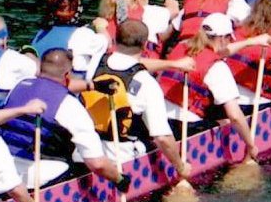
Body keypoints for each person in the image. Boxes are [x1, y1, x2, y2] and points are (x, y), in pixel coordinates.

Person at [80, 21, 192, 181]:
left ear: (115, 40)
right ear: (145, 45)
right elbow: (162, 138)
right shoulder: (147, 83)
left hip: (86, 152)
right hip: (122, 157)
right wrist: (181, 167)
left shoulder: (94, 63)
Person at [0, 49, 123, 189]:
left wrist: (94, 85)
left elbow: (51, 85)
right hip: (41, 178)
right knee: (85, 167)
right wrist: (120, 179)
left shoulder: (19, 85)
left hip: (5, 172)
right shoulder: (69, 104)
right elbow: (97, 164)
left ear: (39, 68)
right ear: (67, 75)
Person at [156, 14, 260, 161]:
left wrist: (250, 42)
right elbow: (235, 115)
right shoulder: (217, 67)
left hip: (161, 122)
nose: (230, 41)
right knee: (227, 121)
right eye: (230, 38)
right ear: (222, 38)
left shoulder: (181, 46)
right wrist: (251, 145)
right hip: (188, 128)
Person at [29, 0, 109, 78]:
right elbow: (107, 45)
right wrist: (101, 27)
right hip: (67, 88)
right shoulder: (83, 34)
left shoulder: (40, 34)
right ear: (78, 10)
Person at [97, 0, 180, 56]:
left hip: (111, 56)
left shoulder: (110, 11)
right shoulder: (150, 11)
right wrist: (172, 4)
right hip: (141, 61)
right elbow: (175, 12)